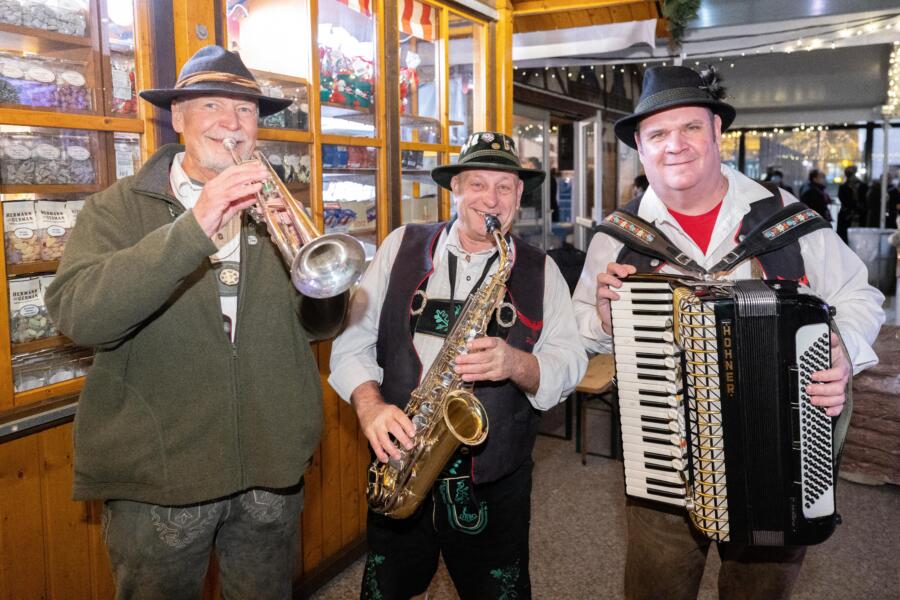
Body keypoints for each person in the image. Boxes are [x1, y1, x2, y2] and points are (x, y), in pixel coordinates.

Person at [45, 45, 347, 598]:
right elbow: (79, 315)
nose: (232, 124)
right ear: (178, 117)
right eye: (212, 106)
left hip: (270, 467)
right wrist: (196, 225)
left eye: (247, 111)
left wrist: (306, 261)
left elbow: (318, 327)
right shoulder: (117, 209)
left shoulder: (277, 203)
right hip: (160, 474)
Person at [572, 66, 885, 600]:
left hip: (775, 453)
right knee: (656, 589)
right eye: (657, 135)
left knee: (758, 590)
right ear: (641, 152)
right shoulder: (618, 237)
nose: (675, 145)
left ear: (717, 132)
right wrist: (601, 318)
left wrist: (841, 348)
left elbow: (862, 297)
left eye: (690, 128)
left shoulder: (785, 218)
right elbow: (579, 334)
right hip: (662, 458)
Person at [329, 132, 587, 600]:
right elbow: (351, 343)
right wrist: (369, 408)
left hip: (494, 482)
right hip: (400, 463)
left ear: (519, 197)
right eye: (477, 185)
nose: (490, 199)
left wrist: (516, 363)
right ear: (455, 191)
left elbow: (569, 363)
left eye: (503, 187)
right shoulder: (399, 246)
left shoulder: (539, 268)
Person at [837, 165, 867, 241]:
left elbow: (864, 200)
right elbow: (844, 200)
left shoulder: (862, 185)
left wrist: (859, 208)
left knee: (858, 237)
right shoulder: (843, 186)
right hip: (848, 215)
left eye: (851, 173)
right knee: (845, 237)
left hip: (858, 215)